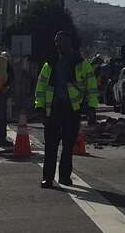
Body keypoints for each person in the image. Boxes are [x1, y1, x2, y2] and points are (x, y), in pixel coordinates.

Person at [34, 30, 100, 188]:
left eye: (61, 41)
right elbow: (41, 87)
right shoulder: (49, 63)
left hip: (72, 110)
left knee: (68, 146)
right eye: (56, 41)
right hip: (53, 110)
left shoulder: (81, 64)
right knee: (50, 146)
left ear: (70, 43)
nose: (57, 44)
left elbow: (92, 88)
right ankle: (48, 178)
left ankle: (64, 177)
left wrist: (92, 108)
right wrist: (40, 107)